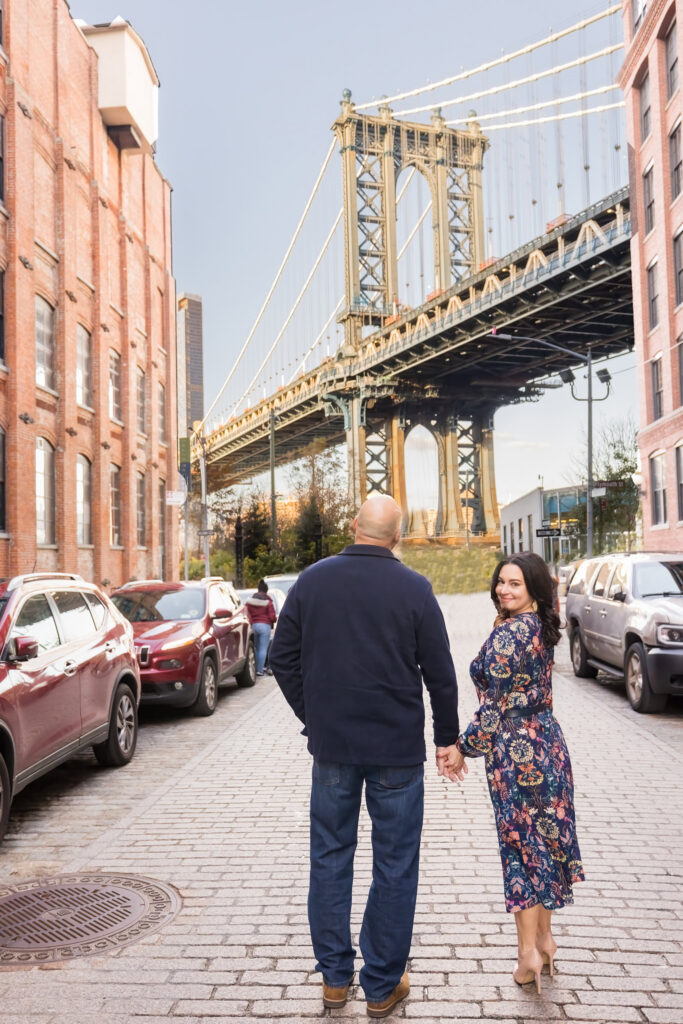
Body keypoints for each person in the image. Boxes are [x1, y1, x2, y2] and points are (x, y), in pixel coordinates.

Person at [269, 495, 463, 1019]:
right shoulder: (415, 589)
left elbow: (279, 658)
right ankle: (380, 985)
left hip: (333, 750)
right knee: (395, 865)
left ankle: (335, 980)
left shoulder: (312, 581)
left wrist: (314, 716)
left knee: (330, 858)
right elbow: (441, 676)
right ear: (396, 537)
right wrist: (448, 739)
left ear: (354, 527)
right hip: (398, 752)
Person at [439, 551, 584, 994]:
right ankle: (545, 940)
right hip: (549, 745)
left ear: (534, 590)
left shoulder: (509, 635)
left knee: (522, 849)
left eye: (515, 584)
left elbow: (494, 707)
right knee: (547, 843)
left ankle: (527, 957)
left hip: (516, 755)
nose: (503, 589)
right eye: (501, 581)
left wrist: (461, 749)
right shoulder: (539, 626)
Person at [244, 579, 277, 677]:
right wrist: (273, 620)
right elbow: (272, 617)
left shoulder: (249, 601)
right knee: (263, 648)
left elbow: (246, 613)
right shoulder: (268, 601)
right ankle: (259, 670)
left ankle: (254, 669)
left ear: (258, 589)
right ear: (266, 590)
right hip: (265, 626)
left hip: (253, 626)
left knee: (256, 648)